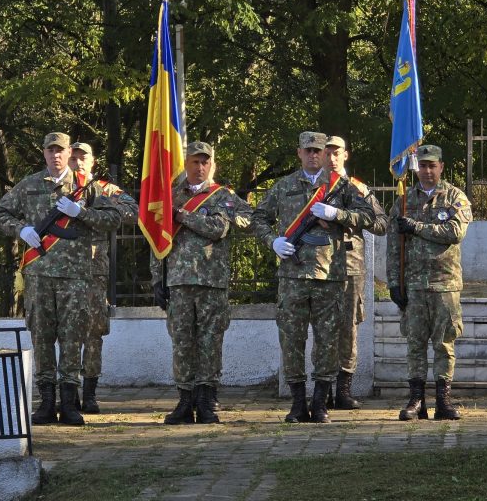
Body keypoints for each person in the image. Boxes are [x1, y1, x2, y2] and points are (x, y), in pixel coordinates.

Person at [0, 132, 122, 426]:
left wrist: (82, 212)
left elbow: (114, 219)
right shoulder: (30, 185)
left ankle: (69, 402)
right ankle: (47, 402)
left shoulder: (86, 187)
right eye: (50, 151)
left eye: (60, 151)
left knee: (72, 337)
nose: (56, 156)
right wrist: (21, 229)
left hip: (76, 276)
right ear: (44, 154)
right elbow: (0, 213)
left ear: (67, 153)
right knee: (41, 337)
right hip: (39, 275)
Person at [251, 132, 375, 423]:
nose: (314, 156)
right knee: (291, 341)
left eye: (318, 151)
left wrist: (337, 214)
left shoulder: (342, 187)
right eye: (308, 151)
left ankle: (320, 404)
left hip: (329, 277)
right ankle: (297, 404)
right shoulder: (283, 187)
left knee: (327, 343)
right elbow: (258, 218)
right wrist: (272, 241)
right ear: (299, 153)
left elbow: (371, 218)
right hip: (292, 278)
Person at [152, 141, 252, 424]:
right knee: (182, 342)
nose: (200, 167)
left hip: (212, 282)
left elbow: (219, 229)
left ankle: (207, 401)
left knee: (210, 342)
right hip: (179, 282)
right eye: (195, 162)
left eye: (205, 162)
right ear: (186, 164)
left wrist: (183, 216)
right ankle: (185, 400)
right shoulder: (170, 197)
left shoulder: (224, 197)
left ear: (212, 165)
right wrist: (156, 279)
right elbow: (156, 240)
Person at [387, 144, 472, 421]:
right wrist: (393, 283)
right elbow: (393, 245)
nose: (426, 171)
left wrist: (417, 227)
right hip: (413, 284)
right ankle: (416, 401)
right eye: (422, 166)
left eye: (431, 166)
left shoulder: (454, 198)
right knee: (415, 343)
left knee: (444, 344)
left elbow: (455, 232)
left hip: (444, 284)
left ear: (441, 167)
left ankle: (443, 401)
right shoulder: (403, 201)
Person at [68, 141, 138, 414]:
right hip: (63, 272)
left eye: (82, 157)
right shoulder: (57, 189)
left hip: (94, 271)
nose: (77, 162)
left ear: (93, 161)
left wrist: (95, 214)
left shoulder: (106, 190)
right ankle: (67, 390)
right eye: (73, 158)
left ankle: (89, 392)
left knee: (94, 332)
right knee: (66, 332)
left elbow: (134, 211)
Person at [324, 136, 388, 409]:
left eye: (335, 152)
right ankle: (322, 388)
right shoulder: (311, 188)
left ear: (345, 155)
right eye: (326, 152)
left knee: (347, 327)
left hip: (350, 265)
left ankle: (343, 389)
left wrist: (343, 217)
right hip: (319, 267)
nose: (330, 157)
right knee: (323, 328)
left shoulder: (357, 188)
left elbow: (381, 223)